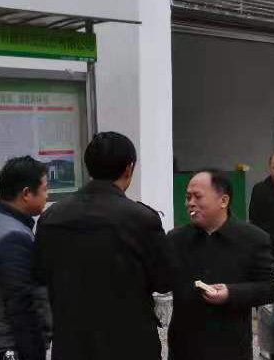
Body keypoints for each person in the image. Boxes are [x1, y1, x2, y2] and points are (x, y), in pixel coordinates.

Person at [34, 131, 175, 360]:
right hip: (129, 345)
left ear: (89, 167)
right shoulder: (141, 219)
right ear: (128, 168)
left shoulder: (51, 216)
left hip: (72, 345)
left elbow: (40, 275)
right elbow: (164, 280)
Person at [167, 169, 274, 360]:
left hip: (230, 348)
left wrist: (231, 293)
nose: (190, 203)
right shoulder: (175, 239)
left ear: (223, 201)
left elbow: (272, 287)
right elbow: (161, 281)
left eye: (197, 197)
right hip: (184, 349)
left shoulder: (252, 239)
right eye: (188, 197)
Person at [0, 156, 52, 360]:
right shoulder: (13, 238)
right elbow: (22, 307)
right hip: (9, 350)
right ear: (26, 193)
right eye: (44, 189)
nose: (47, 195)